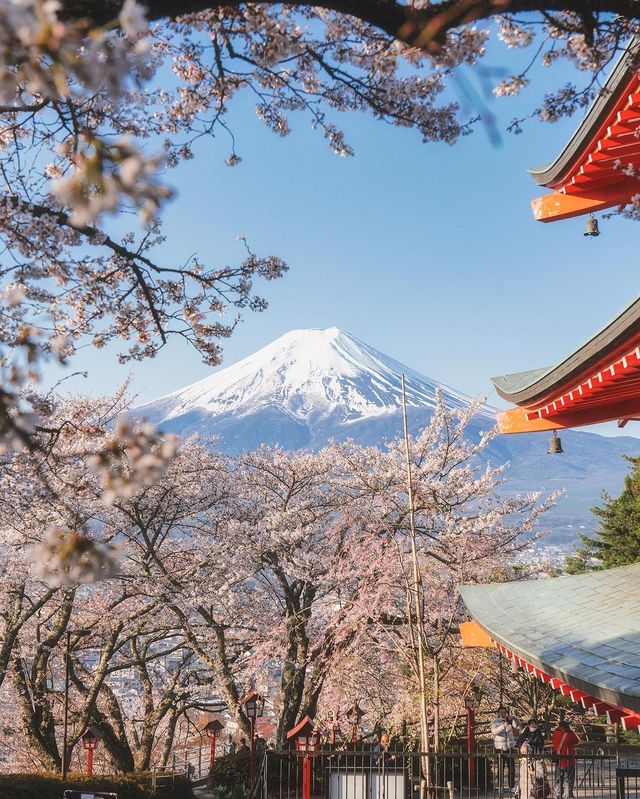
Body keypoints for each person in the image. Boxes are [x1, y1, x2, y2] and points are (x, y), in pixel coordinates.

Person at [552, 720, 581, 799]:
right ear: (567, 726)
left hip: (559, 760)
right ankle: (568, 794)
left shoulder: (555, 733)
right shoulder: (570, 735)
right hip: (569, 760)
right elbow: (577, 741)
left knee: (558, 778)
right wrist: (570, 730)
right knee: (569, 779)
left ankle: (557, 793)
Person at [491, 706, 516, 792]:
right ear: (498, 713)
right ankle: (500, 786)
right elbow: (494, 731)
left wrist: (514, 718)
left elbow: (517, 725)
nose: (503, 714)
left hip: (509, 747)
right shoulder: (495, 722)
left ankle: (512, 786)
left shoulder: (509, 720)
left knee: (512, 768)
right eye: (501, 712)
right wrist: (503, 726)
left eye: (505, 712)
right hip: (499, 748)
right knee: (500, 768)